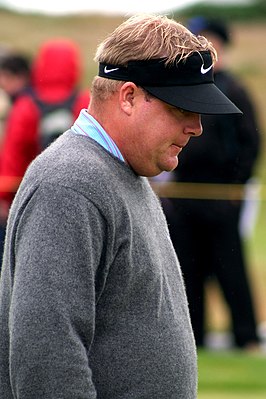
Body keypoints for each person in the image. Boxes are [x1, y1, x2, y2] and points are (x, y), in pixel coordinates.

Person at [0, 14, 241, 398]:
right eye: (182, 108)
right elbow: (46, 357)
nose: (196, 126)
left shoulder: (121, 171)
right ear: (128, 97)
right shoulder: (70, 184)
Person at [163, 16, 261, 350]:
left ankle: (245, 337)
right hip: (185, 193)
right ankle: (194, 337)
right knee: (188, 267)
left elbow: (251, 142)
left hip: (221, 193)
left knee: (230, 267)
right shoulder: (181, 89)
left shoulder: (234, 89)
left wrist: (237, 185)